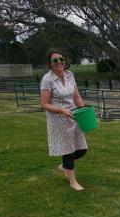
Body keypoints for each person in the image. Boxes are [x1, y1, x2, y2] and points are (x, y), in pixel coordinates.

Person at [40, 48, 88, 191]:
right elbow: (44, 104)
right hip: (58, 118)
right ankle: (72, 181)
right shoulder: (47, 80)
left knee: (82, 149)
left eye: (61, 59)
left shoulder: (69, 75)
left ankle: (64, 166)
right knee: (68, 150)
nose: (59, 62)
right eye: (55, 60)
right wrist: (61, 110)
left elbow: (77, 96)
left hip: (74, 115)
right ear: (50, 63)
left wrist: (83, 111)